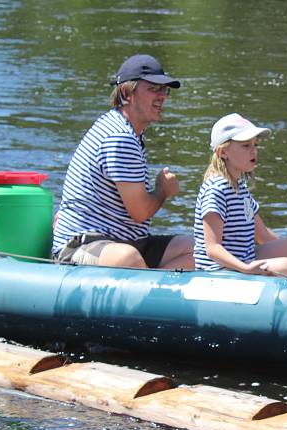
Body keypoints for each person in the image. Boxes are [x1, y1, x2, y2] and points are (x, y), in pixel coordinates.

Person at [51, 54, 194, 269]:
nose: (162, 96)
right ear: (128, 93)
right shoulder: (119, 137)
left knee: (200, 250)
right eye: (153, 89)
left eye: (165, 90)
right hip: (83, 246)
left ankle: (151, 288)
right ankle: (150, 292)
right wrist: (163, 190)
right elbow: (140, 212)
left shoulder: (129, 131)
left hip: (127, 241)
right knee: (127, 258)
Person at [193, 113, 287, 278]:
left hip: (245, 260)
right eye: (246, 146)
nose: (254, 151)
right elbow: (213, 249)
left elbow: (264, 236)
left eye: (256, 145)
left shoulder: (240, 188)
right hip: (220, 272)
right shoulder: (216, 190)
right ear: (223, 152)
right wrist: (245, 268)